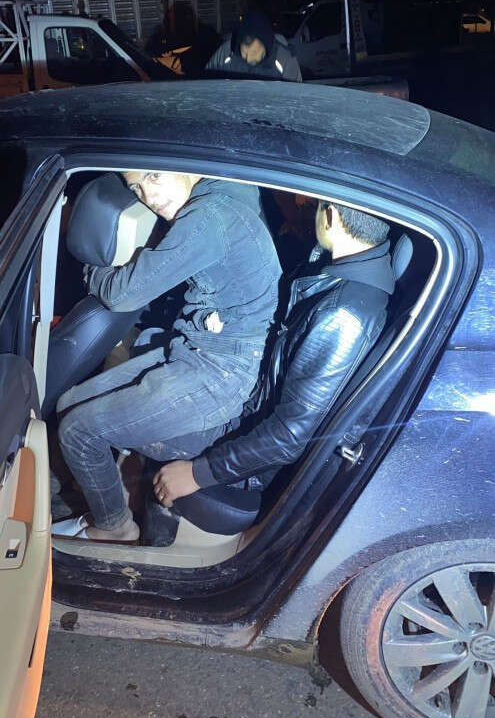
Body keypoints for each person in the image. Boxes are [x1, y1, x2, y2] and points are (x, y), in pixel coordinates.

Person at [52, 171, 282, 543]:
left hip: (220, 372)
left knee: (78, 431)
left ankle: (115, 527)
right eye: (137, 188)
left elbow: (121, 295)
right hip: (195, 350)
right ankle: (102, 493)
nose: (150, 197)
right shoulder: (227, 195)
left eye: (154, 177)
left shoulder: (210, 217)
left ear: (189, 168)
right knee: (69, 405)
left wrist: (91, 266)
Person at [151, 199, 395, 508]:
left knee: (117, 425)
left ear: (331, 216)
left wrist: (198, 473)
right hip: (251, 402)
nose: (309, 212)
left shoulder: (342, 315)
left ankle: (126, 524)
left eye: (315, 206)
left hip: (248, 442)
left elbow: (289, 436)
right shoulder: (343, 273)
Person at [205, 10, 302, 82]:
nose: (248, 59)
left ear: (266, 46)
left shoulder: (285, 59)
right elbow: (208, 82)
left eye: (255, 52)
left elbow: (295, 96)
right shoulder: (226, 52)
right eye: (244, 54)